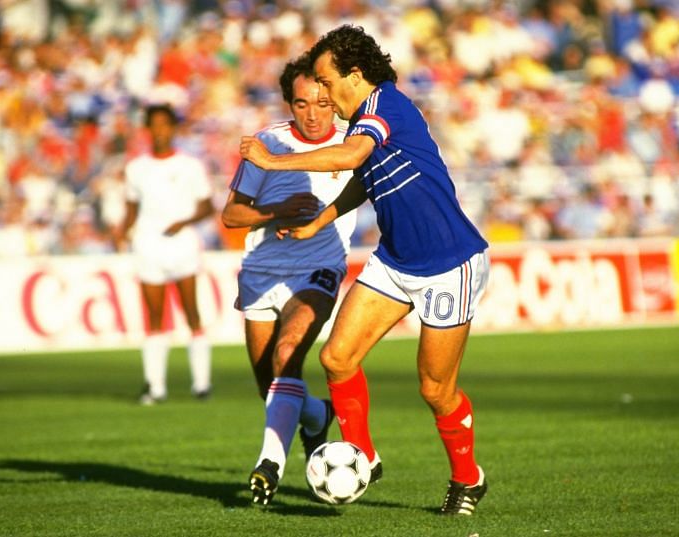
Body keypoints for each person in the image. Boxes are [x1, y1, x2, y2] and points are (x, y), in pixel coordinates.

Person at [239, 25, 490, 516]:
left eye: (328, 83)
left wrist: (273, 161)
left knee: (435, 390)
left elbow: (353, 156)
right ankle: (363, 456)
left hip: (448, 263)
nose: (324, 95)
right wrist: (321, 221)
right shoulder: (364, 120)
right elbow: (363, 177)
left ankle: (468, 478)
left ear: (355, 74)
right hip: (395, 260)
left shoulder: (384, 107)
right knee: (336, 359)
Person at [222, 53, 357, 505]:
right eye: (302, 104)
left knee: (287, 353)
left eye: (321, 103)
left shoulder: (353, 143)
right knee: (272, 385)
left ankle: (269, 466)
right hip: (261, 271)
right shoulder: (267, 144)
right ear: (289, 104)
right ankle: (317, 416)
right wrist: (276, 210)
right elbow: (232, 214)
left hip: (318, 268)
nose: (313, 114)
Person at [114, 103, 215, 405]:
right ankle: (155, 387)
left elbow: (207, 206)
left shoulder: (190, 166)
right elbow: (131, 210)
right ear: (147, 130)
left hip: (182, 242)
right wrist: (121, 230)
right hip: (148, 244)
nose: (159, 131)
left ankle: (201, 383)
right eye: (153, 125)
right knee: (155, 316)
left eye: (164, 125)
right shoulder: (136, 168)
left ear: (173, 129)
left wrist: (184, 221)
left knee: (191, 312)